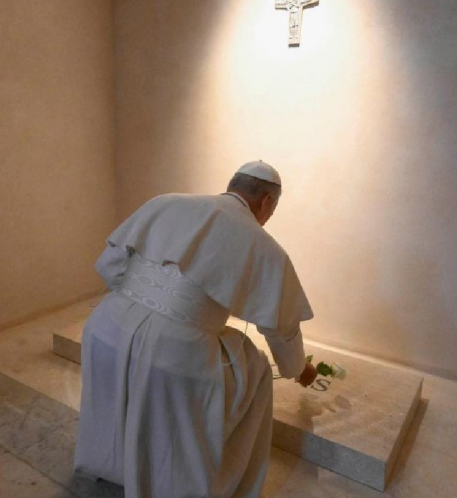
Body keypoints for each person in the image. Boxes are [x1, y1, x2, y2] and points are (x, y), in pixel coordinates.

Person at [74, 161, 317, 498]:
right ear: (266, 202)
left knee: (111, 401)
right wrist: (298, 368)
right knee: (257, 368)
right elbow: (281, 329)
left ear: (232, 185)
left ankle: (111, 466)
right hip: (172, 352)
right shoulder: (266, 247)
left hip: (104, 328)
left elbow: (109, 265)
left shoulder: (166, 202)